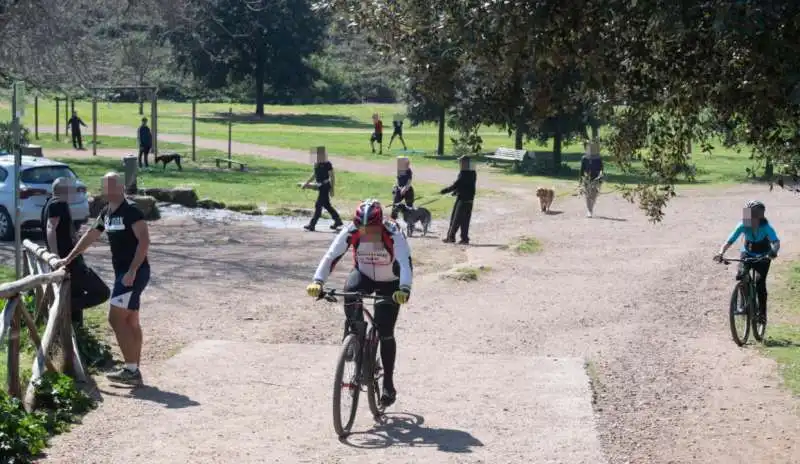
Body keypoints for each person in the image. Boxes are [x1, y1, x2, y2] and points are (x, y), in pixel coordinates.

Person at [306, 199, 412, 408]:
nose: (366, 232)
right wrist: (318, 281)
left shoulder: (393, 232)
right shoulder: (351, 230)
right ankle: (354, 339)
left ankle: (388, 384)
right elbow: (331, 256)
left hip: (390, 281)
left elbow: (405, 262)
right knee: (350, 293)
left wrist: (405, 288)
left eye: (371, 228)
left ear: (380, 223)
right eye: (362, 227)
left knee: (385, 331)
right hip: (363, 275)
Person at [54, 172, 151, 386]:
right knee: (131, 320)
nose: (104, 190)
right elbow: (90, 235)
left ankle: (131, 370)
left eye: (108, 186)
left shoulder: (132, 211)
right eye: (103, 186)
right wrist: (69, 258)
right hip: (123, 274)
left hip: (132, 274)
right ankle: (134, 367)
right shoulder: (106, 212)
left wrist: (133, 270)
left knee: (115, 319)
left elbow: (144, 241)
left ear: (119, 187)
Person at [42, 177, 110, 328]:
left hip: (70, 260)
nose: (74, 191)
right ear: (64, 190)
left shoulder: (48, 204)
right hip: (70, 262)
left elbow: (59, 230)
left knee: (76, 294)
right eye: (71, 189)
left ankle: (75, 332)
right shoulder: (58, 203)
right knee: (102, 292)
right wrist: (56, 257)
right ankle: (63, 308)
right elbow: (50, 228)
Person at [713, 200, 780, 320]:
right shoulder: (742, 225)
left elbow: (776, 242)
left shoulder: (766, 227)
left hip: (764, 256)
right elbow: (729, 240)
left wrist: (773, 251)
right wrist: (721, 253)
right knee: (740, 275)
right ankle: (744, 303)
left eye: (752, 217)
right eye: (747, 216)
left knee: (760, 283)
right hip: (747, 253)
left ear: (759, 217)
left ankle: (762, 313)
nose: (748, 220)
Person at [302, 147, 344, 232]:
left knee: (318, 205)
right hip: (320, 186)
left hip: (325, 186)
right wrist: (306, 183)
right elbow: (314, 175)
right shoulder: (316, 164)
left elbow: (332, 176)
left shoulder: (327, 164)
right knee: (327, 205)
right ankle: (338, 221)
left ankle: (312, 225)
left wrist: (332, 189)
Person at [441, 155, 477, 245]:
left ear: (465, 163)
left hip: (463, 199)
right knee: (465, 220)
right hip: (469, 199)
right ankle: (464, 239)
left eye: (461, 162)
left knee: (455, 219)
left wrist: (445, 191)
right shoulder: (472, 172)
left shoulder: (464, 172)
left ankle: (451, 238)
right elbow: (466, 185)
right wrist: (456, 192)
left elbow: (457, 184)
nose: (459, 164)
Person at [580, 142, 604, 218]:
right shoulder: (584, 158)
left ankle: (591, 209)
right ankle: (589, 210)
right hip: (586, 179)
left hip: (596, 179)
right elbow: (581, 170)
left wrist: (600, 179)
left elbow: (601, 170)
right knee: (587, 195)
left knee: (593, 195)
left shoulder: (599, 158)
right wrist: (581, 180)